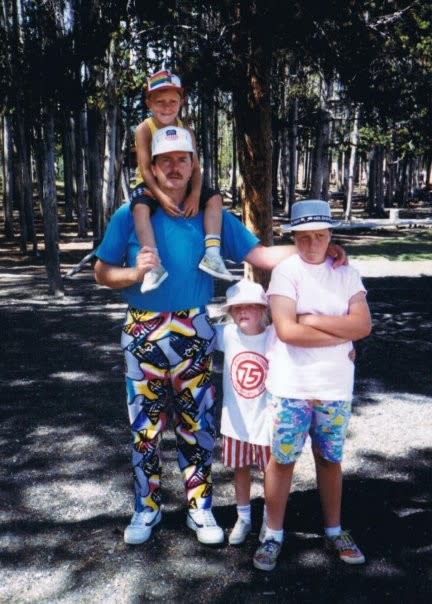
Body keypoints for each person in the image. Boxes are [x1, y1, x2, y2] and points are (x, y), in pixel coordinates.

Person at [94, 128, 347, 547]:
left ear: (194, 165)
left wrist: (313, 249)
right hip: (142, 327)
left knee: (197, 424)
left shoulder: (209, 216)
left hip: (194, 325)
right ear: (153, 168)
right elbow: (102, 272)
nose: (174, 168)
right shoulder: (130, 215)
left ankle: (200, 507)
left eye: (183, 160)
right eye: (165, 161)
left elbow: (261, 256)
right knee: (145, 427)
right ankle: (147, 507)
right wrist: (135, 273)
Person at [252, 199, 372, 571]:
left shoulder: (346, 273)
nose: (312, 243)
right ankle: (272, 532)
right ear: (294, 236)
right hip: (292, 385)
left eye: (320, 235)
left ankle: (335, 529)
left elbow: (363, 326)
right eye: (304, 236)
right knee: (283, 459)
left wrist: (312, 318)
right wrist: (341, 334)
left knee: (330, 458)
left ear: (330, 235)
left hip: (334, 387)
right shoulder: (286, 273)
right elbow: (287, 330)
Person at [131, 68, 236, 293]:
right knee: (140, 209)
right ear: (149, 102)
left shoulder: (186, 129)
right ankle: (153, 265)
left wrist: (196, 195)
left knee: (215, 198)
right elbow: (145, 168)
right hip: (150, 183)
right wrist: (160, 197)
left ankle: (212, 253)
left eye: (172, 101)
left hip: (182, 182)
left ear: (182, 102)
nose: (167, 107)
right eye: (160, 102)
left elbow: (195, 167)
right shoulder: (143, 129)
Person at [214, 279, 272, 545]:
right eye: (236, 308)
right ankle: (244, 517)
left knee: (270, 470)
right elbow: (193, 333)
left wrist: (346, 349)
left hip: (267, 420)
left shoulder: (275, 336)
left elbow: (307, 344)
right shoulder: (226, 334)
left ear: (263, 310)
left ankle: (272, 519)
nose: (243, 312)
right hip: (235, 420)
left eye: (250, 306)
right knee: (240, 468)